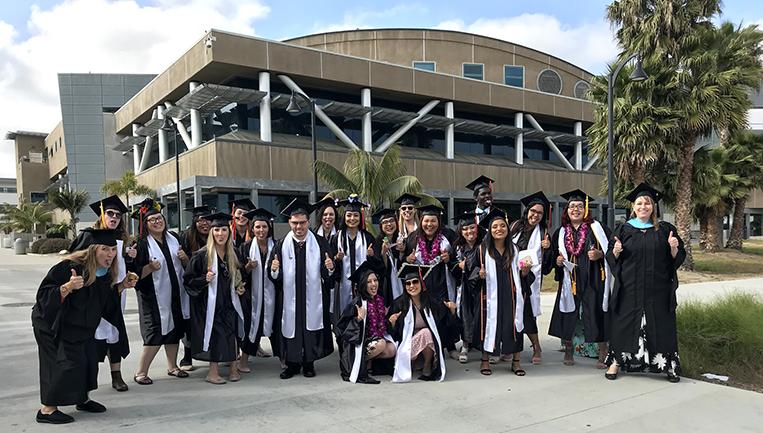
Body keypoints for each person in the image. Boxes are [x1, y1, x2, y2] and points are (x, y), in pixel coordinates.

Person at [32, 228, 137, 424]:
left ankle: (82, 398)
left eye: (113, 249)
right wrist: (68, 287)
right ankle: (47, 409)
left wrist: (122, 286)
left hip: (80, 326)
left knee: (88, 360)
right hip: (53, 324)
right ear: (92, 250)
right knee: (62, 363)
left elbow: (104, 302)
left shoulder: (105, 273)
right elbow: (44, 296)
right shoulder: (68, 267)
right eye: (105, 249)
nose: (110, 254)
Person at [604, 183, 686, 383]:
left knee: (661, 325)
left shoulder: (665, 229)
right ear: (633, 207)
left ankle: (667, 364)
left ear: (653, 207)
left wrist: (674, 248)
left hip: (658, 288)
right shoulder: (623, 229)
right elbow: (611, 257)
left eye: (647, 203)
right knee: (624, 324)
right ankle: (617, 361)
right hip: (629, 287)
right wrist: (615, 251)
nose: (643, 207)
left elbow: (677, 258)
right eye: (639, 203)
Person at [68, 195, 134, 392]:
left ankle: (117, 375)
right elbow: (74, 260)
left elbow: (124, 267)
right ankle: (88, 378)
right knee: (93, 334)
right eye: (110, 213)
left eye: (118, 215)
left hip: (116, 292)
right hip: (91, 294)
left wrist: (131, 259)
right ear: (102, 215)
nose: (114, 217)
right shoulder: (89, 237)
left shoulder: (124, 240)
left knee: (115, 330)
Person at [268, 198, 336, 379]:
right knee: (292, 329)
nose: (299, 227)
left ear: (308, 222)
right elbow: (273, 274)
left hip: (312, 296)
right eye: (295, 223)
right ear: (289, 222)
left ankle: (308, 363)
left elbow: (329, 274)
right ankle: (292, 365)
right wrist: (274, 270)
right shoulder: (281, 244)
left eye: (302, 223)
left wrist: (329, 267)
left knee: (310, 329)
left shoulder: (320, 243)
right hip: (289, 298)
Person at [545, 189, 612, 368]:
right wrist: (557, 261)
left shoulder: (597, 228)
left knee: (596, 313)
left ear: (586, 209)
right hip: (571, 280)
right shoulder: (560, 232)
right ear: (566, 210)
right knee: (569, 315)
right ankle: (568, 349)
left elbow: (612, 250)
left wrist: (600, 254)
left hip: (594, 279)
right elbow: (552, 256)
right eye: (572, 207)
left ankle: (602, 351)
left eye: (580, 206)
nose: (576, 209)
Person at [129, 199, 191, 385]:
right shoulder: (140, 244)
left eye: (159, 218)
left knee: (174, 330)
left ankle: (172, 367)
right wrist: (149, 267)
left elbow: (187, 265)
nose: (157, 222)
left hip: (176, 294)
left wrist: (185, 258)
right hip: (152, 297)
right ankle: (141, 372)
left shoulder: (174, 238)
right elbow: (134, 274)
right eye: (152, 220)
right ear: (145, 224)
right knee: (154, 334)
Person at [184, 213, 246, 384]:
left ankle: (233, 369)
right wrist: (204, 279)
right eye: (217, 230)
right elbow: (188, 280)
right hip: (210, 304)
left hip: (230, 302)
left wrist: (241, 286)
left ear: (229, 231)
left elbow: (242, 276)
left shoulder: (233, 254)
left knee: (232, 334)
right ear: (211, 232)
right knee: (215, 336)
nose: (220, 233)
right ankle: (212, 372)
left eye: (224, 229)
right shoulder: (201, 255)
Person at [470, 209, 531, 376]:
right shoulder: (482, 250)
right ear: (490, 230)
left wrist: (525, 272)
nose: (499, 229)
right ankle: (485, 361)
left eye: (502, 226)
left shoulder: (517, 250)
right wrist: (479, 275)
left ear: (507, 229)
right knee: (488, 326)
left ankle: (516, 362)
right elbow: (471, 271)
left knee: (515, 327)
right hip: (489, 297)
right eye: (495, 226)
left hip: (512, 296)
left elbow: (525, 275)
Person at [388, 263, 457, 382]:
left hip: (428, 349)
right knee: (425, 332)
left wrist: (452, 312)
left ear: (421, 283)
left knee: (427, 333)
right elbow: (395, 335)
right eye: (408, 283)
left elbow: (445, 326)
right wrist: (392, 323)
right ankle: (416, 364)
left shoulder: (433, 302)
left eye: (415, 282)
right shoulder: (399, 304)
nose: (411, 286)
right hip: (408, 349)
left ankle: (427, 365)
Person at [336, 257, 396, 384]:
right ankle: (362, 364)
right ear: (363, 284)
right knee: (381, 344)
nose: (374, 284)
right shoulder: (357, 303)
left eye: (375, 280)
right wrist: (358, 319)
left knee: (392, 349)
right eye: (369, 281)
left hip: (372, 339)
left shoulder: (379, 300)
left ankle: (370, 363)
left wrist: (389, 321)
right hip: (355, 346)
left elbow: (380, 328)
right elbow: (342, 331)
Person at [510, 191, 553, 365]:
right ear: (527, 210)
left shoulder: (543, 233)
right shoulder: (514, 226)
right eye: (533, 211)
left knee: (527, 314)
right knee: (510, 312)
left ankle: (536, 347)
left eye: (540, 213)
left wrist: (547, 248)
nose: (535, 215)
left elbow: (547, 265)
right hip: (512, 275)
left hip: (529, 279)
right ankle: (511, 347)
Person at [238, 208, 279, 372]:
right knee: (250, 325)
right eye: (257, 227)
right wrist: (247, 268)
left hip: (274, 295)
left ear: (269, 228)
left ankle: (283, 359)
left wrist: (277, 269)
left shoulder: (277, 246)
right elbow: (238, 272)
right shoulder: (245, 247)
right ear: (252, 229)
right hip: (251, 296)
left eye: (264, 227)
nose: (261, 230)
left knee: (276, 326)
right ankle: (244, 360)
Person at [178, 205, 212, 372]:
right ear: (194, 222)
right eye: (199, 220)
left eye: (207, 219)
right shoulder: (186, 238)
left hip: (211, 286)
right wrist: (185, 260)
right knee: (191, 321)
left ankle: (213, 351)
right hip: (192, 287)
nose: (204, 223)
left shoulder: (216, 236)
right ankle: (187, 353)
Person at [332, 194, 375, 320]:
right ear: (344, 217)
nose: (352, 218)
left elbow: (376, 267)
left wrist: (371, 256)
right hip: (342, 287)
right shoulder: (337, 238)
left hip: (362, 285)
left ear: (360, 217)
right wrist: (337, 259)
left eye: (356, 215)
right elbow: (331, 266)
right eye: (349, 215)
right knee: (344, 317)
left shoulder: (367, 237)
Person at [450, 211, 480, 364]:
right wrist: (458, 266)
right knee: (466, 315)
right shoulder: (457, 247)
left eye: (472, 228)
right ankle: (466, 346)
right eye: (465, 229)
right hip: (465, 287)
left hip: (482, 286)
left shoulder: (484, 244)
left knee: (482, 315)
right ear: (461, 231)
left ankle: (487, 347)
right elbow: (451, 267)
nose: (469, 232)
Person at [371, 208, 404, 308]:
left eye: (391, 221)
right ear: (381, 226)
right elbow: (380, 269)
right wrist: (383, 253)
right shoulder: (376, 243)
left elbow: (403, 263)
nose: (389, 225)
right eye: (385, 222)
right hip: (386, 286)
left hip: (402, 283)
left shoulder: (401, 240)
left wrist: (402, 252)